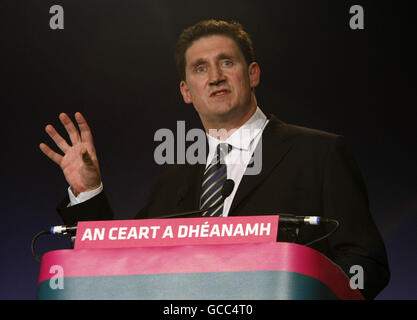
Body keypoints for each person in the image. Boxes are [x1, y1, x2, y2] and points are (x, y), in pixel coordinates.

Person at [39, 20, 390, 299]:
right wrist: (88, 192)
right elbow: (121, 263)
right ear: (186, 91)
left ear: (252, 73)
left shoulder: (318, 153)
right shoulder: (171, 183)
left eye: (226, 62)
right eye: (200, 68)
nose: (216, 77)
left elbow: (366, 263)